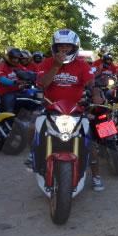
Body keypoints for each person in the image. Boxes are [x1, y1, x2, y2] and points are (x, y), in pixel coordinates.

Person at [36, 29, 100, 190]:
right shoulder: (46, 63)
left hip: (76, 110)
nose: (64, 50)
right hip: (51, 109)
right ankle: (34, 157)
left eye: (67, 47)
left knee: (89, 139)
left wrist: (97, 94)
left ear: (74, 48)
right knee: (36, 127)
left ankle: (96, 175)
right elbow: (43, 84)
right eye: (60, 47)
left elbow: (91, 83)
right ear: (54, 48)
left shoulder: (81, 64)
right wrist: (56, 66)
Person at [0, 47, 25, 113]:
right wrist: (14, 82)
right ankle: (8, 120)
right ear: (9, 57)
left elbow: (27, 73)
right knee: (9, 109)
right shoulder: (1, 66)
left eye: (18, 59)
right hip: (5, 93)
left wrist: (34, 76)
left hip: (18, 91)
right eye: (14, 58)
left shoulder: (19, 66)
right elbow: (1, 79)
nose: (16, 60)